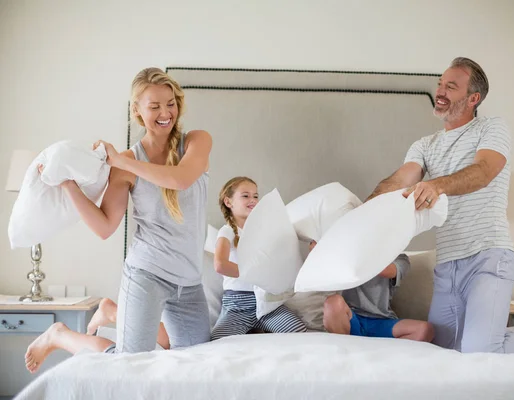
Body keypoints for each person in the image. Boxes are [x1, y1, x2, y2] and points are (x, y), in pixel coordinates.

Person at [366, 57, 514, 357]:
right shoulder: (425, 145)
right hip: (448, 266)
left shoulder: (491, 128)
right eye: (440, 84)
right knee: (444, 352)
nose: (440, 91)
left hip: (488, 258)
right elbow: (400, 180)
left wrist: (437, 185)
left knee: (480, 351)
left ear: (473, 98)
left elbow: (484, 172)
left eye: (451, 86)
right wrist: (362, 211)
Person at [25, 67, 213, 373]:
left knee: (197, 364)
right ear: (137, 111)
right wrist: (68, 185)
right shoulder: (125, 164)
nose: (166, 113)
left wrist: (124, 161)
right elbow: (104, 227)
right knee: (130, 364)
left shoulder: (197, 141)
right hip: (147, 274)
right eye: (154, 106)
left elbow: (179, 180)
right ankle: (60, 335)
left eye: (171, 103)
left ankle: (112, 312)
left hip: (190, 283)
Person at [210, 176, 307, 340]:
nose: (253, 200)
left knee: (298, 331)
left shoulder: (261, 233)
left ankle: (258, 332)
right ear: (228, 202)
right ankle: (253, 333)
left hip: (265, 303)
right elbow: (220, 265)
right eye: (245, 195)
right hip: (237, 304)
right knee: (219, 341)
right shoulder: (227, 231)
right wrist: (253, 274)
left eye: (255, 196)